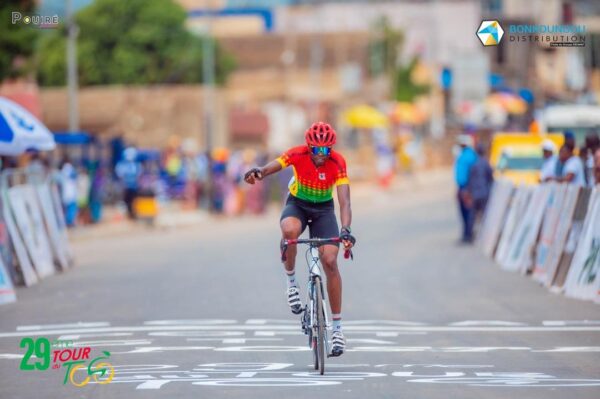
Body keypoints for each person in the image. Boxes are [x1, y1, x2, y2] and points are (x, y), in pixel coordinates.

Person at [243, 121, 356, 357]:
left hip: (324, 210)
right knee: (290, 231)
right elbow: (276, 165)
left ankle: (337, 329)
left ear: (331, 149)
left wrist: (345, 229)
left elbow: (344, 201)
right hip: (298, 205)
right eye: (316, 150)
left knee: (330, 260)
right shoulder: (298, 153)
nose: (320, 155)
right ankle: (291, 282)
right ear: (309, 146)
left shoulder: (338, 162)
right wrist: (260, 172)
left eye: (325, 150)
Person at [466, 144, 494, 240]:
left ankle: (469, 235)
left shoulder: (473, 164)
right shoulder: (486, 163)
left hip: (475, 193)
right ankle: (485, 235)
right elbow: (491, 177)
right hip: (484, 193)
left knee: (472, 215)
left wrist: (469, 192)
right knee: (485, 214)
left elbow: (470, 180)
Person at [454, 134, 478, 243]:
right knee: (464, 212)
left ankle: (468, 234)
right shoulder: (463, 155)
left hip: (467, 188)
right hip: (462, 187)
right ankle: (466, 234)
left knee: (468, 212)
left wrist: (467, 189)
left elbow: (472, 174)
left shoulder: (470, 156)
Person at [115, 147, 141, 219]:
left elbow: (138, 176)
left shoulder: (134, 165)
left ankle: (132, 214)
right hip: (127, 187)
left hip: (132, 187)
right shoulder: (124, 165)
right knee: (127, 202)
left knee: (132, 202)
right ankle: (129, 214)